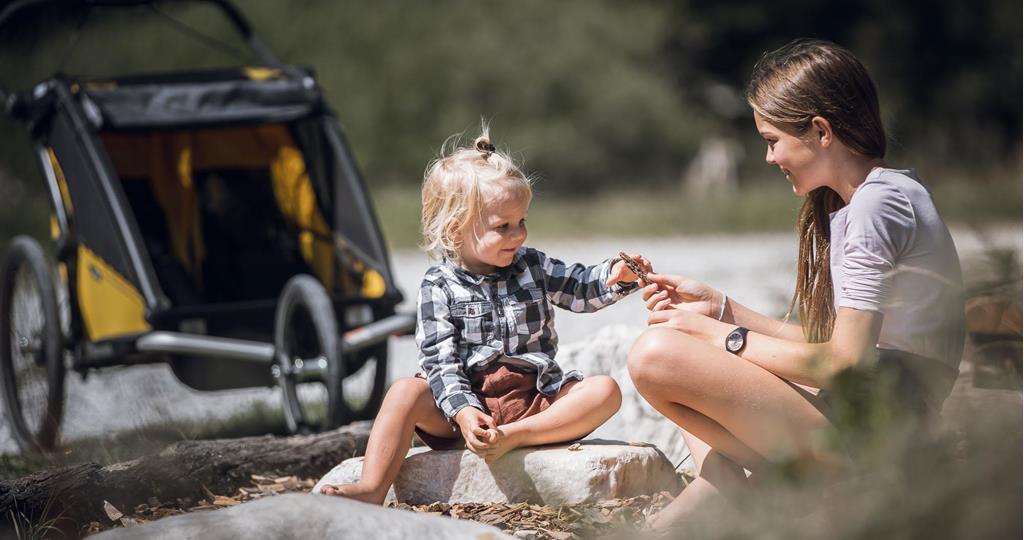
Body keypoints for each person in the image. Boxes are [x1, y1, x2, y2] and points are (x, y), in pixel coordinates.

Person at [627, 39, 965, 529]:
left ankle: (736, 489)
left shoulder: (875, 207)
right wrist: (721, 309)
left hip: (883, 435)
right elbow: (844, 349)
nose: (769, 158)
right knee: (678, 341)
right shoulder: (882, 196)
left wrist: (720, 337)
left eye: (772, 140)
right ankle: (729, 486)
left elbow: (842, 363)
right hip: (871, 416)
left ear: (820, 131)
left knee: (656, 354)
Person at [320, 127, 651, 504]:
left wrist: (616, 276)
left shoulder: (533, 266)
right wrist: (463, 412)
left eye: (522, 221)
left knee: (603, 390)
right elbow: (439, 361)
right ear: (456, 228)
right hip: (462, 409)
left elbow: (580, 288)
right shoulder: (439, 285)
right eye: (503, 226)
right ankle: (371, 487)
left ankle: (517, 437)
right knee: (403, 392)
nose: (519, 235)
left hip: (532, 401)